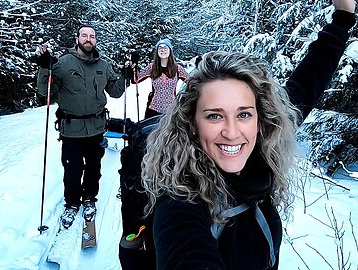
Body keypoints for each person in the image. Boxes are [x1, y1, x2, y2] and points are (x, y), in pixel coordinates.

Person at [141, 1, 356, 269]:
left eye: (243, 114)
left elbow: (308, 81)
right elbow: (185, 249)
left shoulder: (264, 144)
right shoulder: (180, 200)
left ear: (260, 119)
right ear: (192, 123)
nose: (232, 133)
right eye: (214, 115)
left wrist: (344, 17)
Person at [35, 25, 129, 228]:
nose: (89, 39)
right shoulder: (63, 64)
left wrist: (126, 75)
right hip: (71, 128)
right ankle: (71, 204)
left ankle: (89, 199)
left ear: (96, 40)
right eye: (84, 35)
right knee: (72, 168)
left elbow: (115, 92)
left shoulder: (103, 66)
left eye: (92, 36)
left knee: (94, 167)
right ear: (77, 38)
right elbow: (46, 92)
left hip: (96, 127)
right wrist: (44, 67)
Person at [134, 38, 189, 119]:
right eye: (160, 48)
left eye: (165, 48)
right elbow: (136, 79)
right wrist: (132, 68)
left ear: (170, 50)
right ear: (157, 52)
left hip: (171, 109)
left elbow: (192, 82)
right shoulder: (152, 67)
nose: (163, 50)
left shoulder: (177, 68)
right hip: (153, 108)